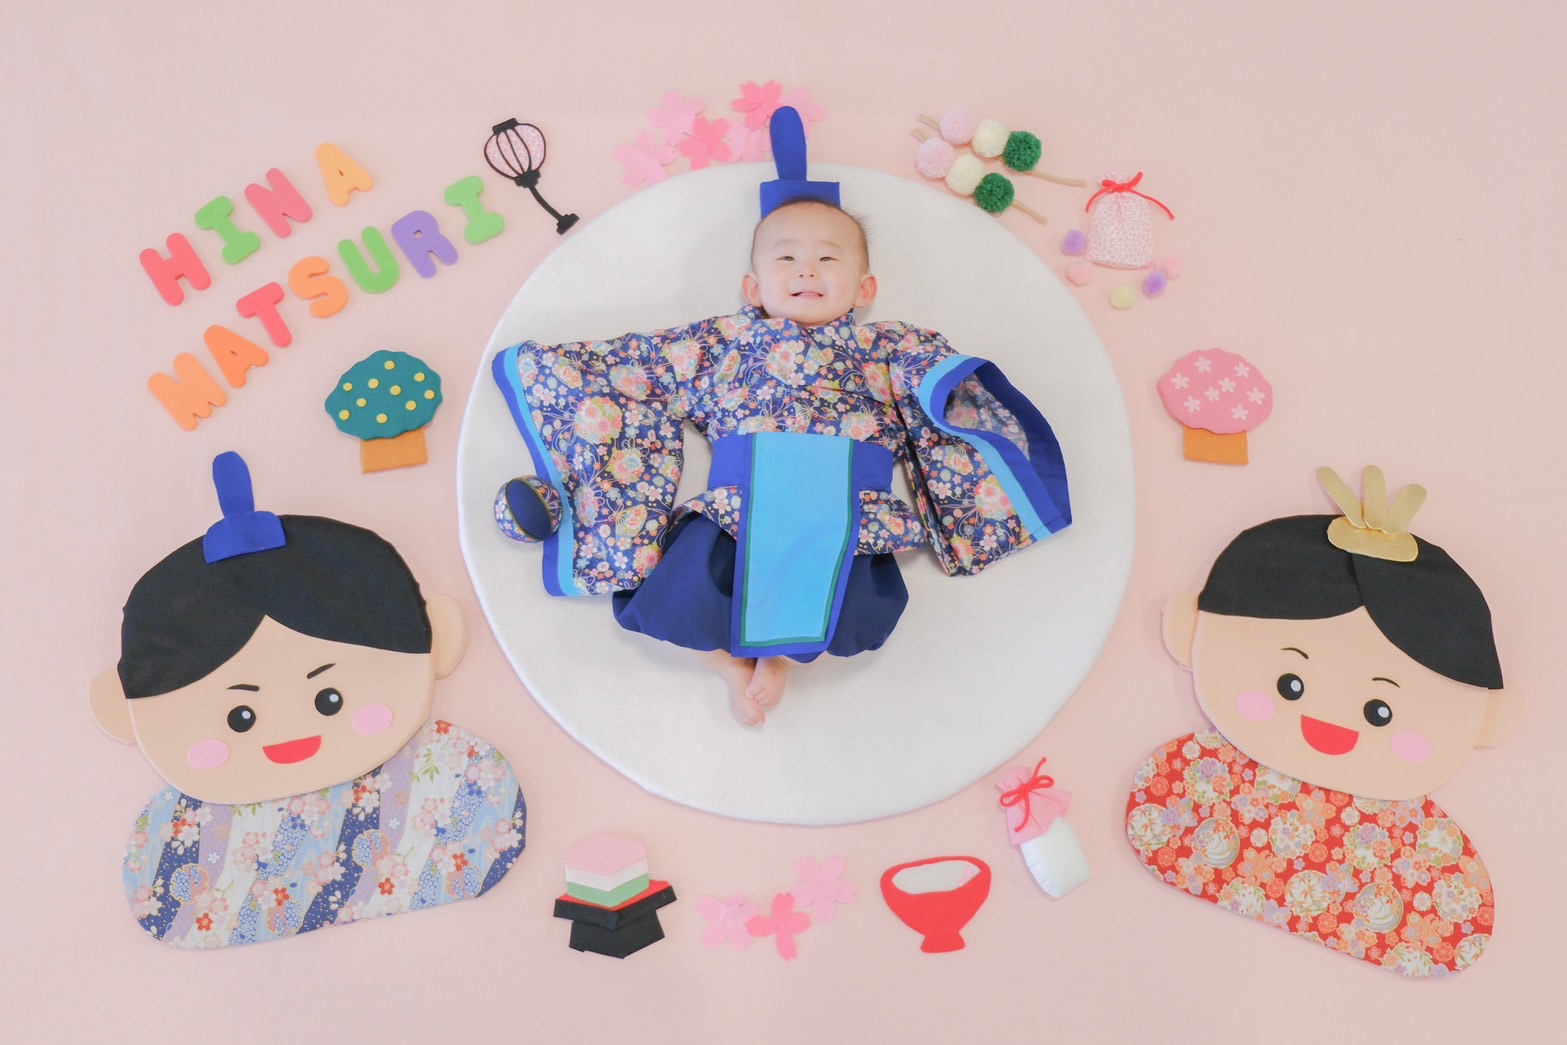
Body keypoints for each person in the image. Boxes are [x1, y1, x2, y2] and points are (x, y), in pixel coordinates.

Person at [492, 107, 1071, 726]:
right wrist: (553, 367)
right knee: (678, 595)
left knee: (848, 606)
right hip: (741, 503)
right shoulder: (724, 343)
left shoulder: (886, 346)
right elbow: (641, 371)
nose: (806, 270)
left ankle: (783, 661)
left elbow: (933, 389)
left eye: (828, 259)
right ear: (753, 289)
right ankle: (729, 666)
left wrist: (934, 380)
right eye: (786, 259)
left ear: (865, 289)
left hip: (847, 509)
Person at [90, 453, 526, 947]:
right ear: (122, 712)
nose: (289, 731)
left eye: (329, 698)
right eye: (241, 717)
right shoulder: (171, 861)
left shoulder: (469, 787)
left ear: (439, 637)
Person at [1125, 467, 1521, 976]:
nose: (1331, 724)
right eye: (1290, 684)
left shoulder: (1434, 874)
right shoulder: (1184, 788)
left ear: (1488, 718)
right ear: (1190, 631)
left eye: (1380, 712)